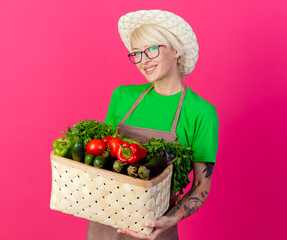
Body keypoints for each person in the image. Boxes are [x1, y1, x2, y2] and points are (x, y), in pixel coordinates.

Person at [86, 9, 219, 240]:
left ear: (176, 50)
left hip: (154, 227)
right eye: (136, 53)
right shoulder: (122, 97)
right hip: (105, 222)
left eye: (152, 49)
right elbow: (103, 157)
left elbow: (201, 185)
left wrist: (171, 219)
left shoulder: (201, 112)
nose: (143, 60)